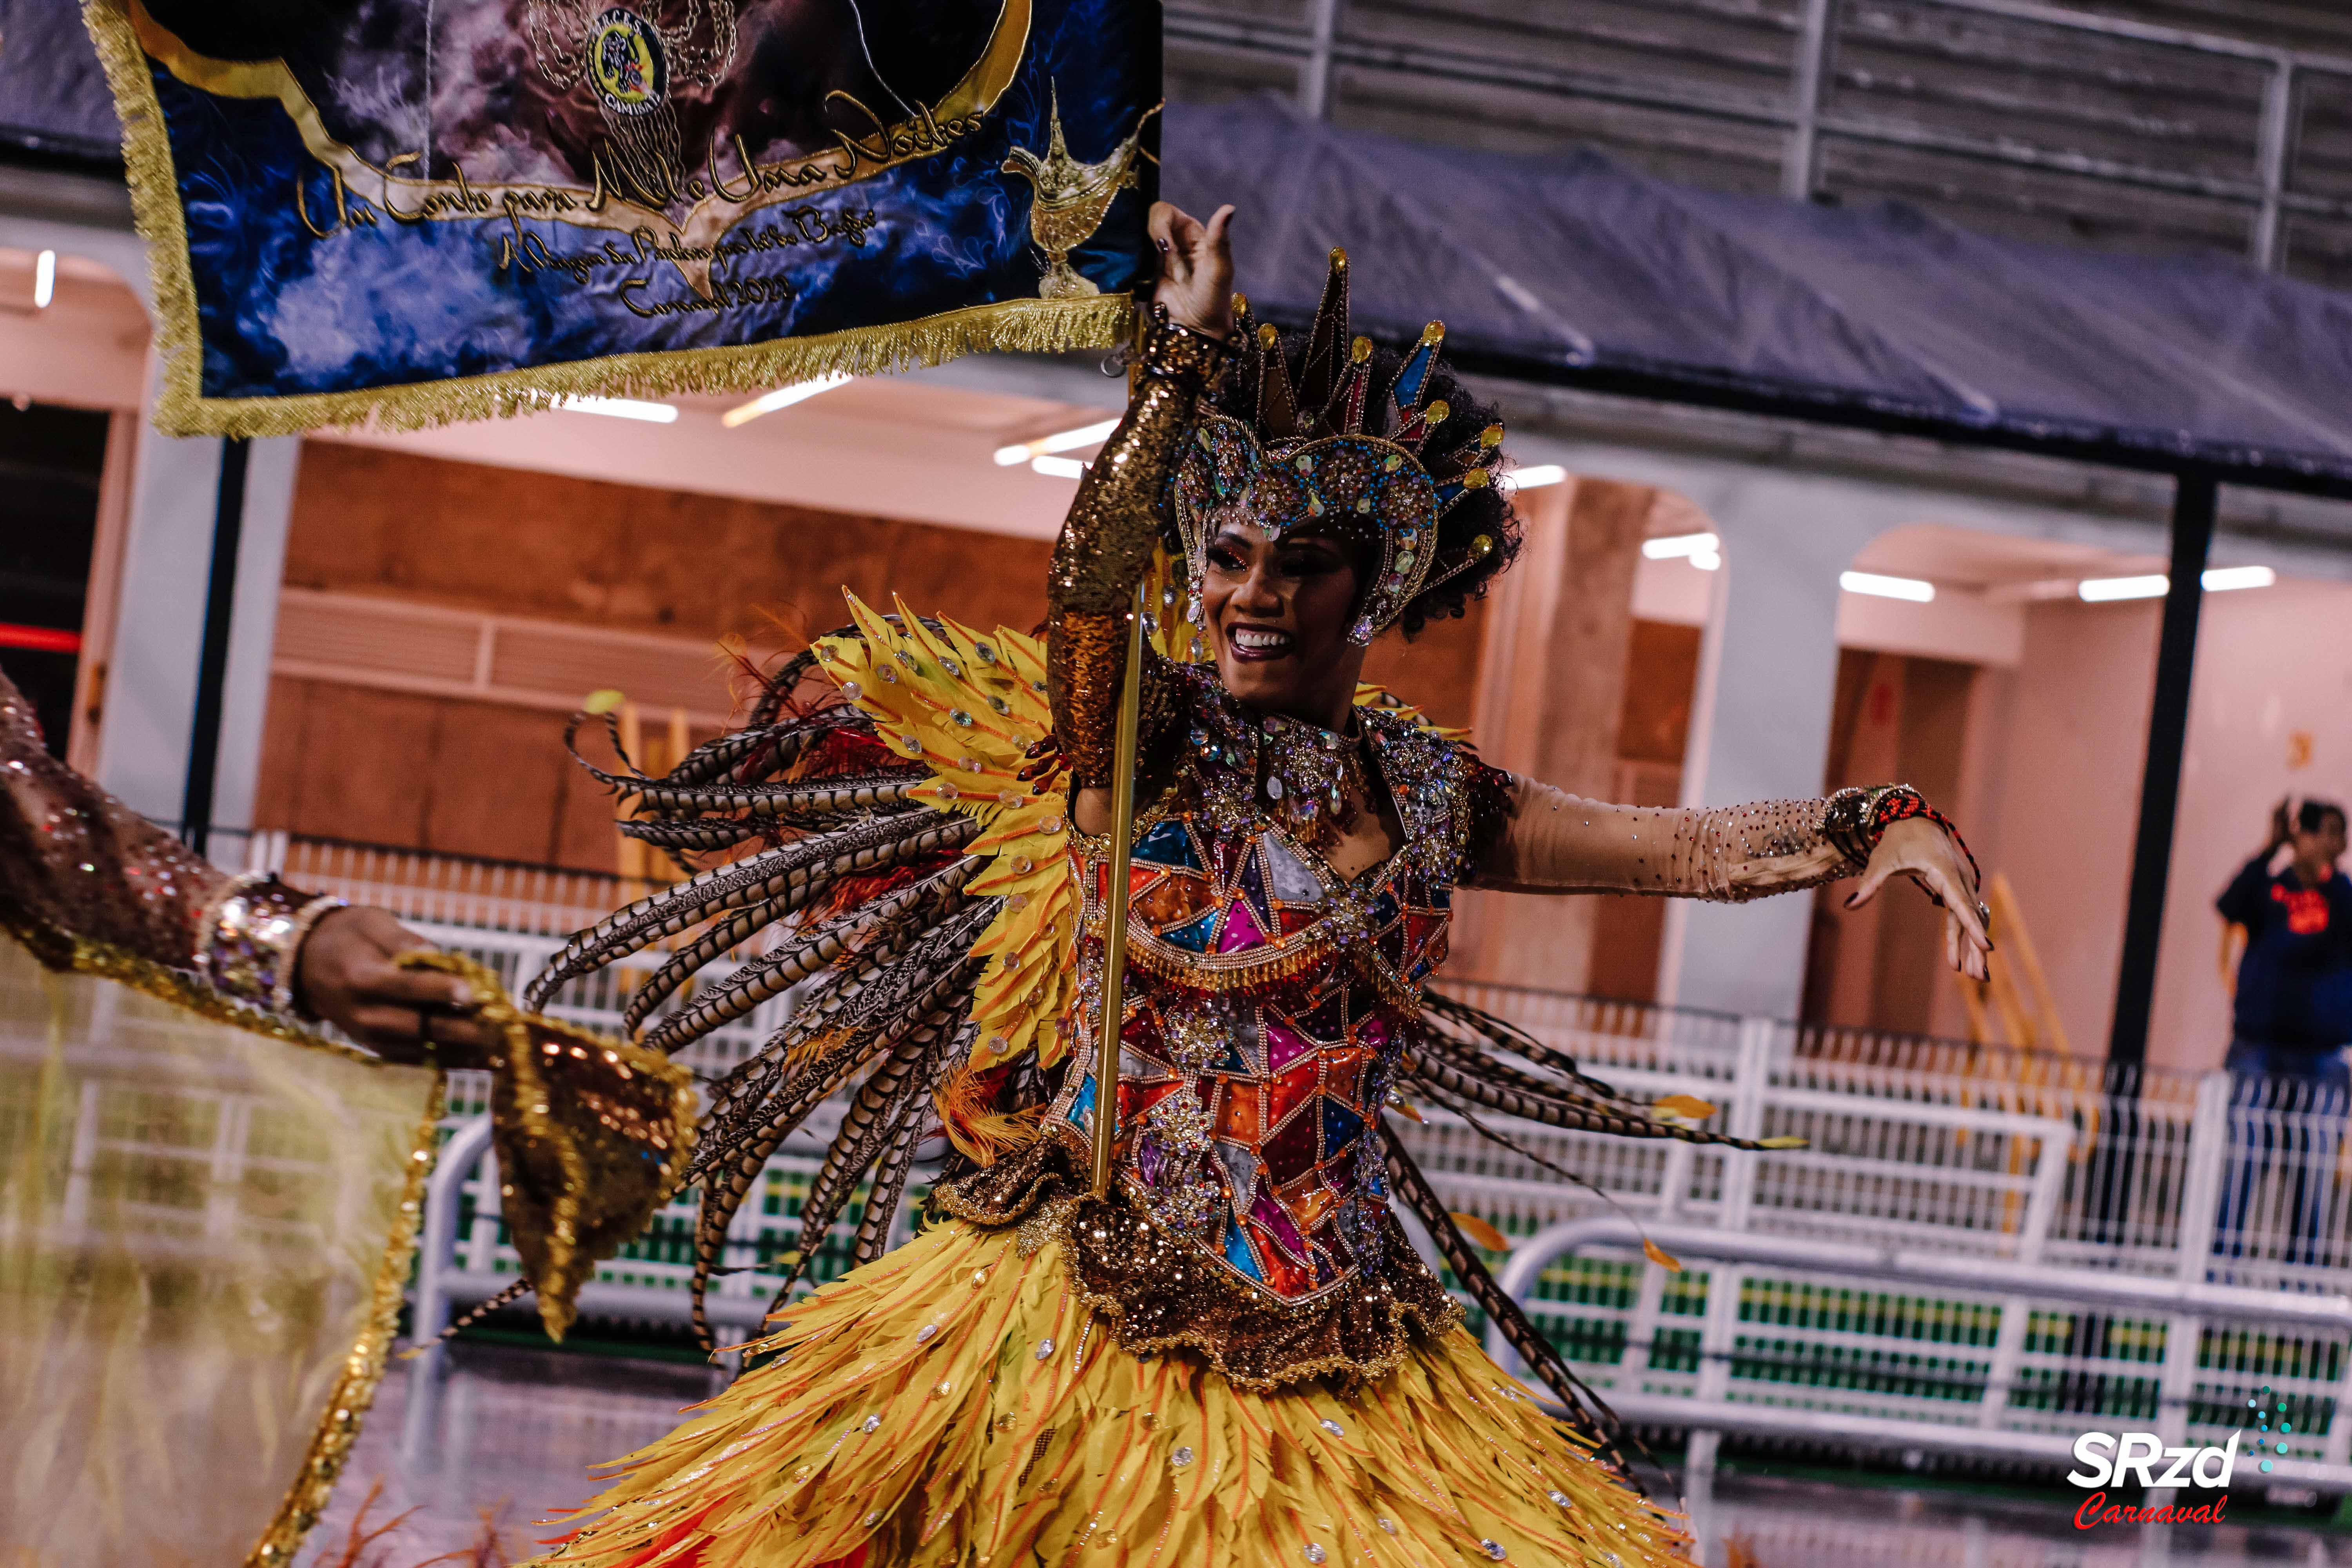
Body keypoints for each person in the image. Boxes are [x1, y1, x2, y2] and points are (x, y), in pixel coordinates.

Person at [490, 203, 1989, 1568]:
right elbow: (1087, 586)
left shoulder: (1424, 789)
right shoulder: (1131, 743)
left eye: (1300, 563)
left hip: (1341, 1343)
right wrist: (1178, 365)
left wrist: (1882, 822)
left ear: (1374, 589)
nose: (1251, 593)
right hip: (1061, 1310)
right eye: (1228, 552)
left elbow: (1671, 847)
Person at [2213, 798, 2352, 1267]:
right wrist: (2270, 847)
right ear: (2304, 836)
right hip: (2257, 1049)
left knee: (2314, 1176)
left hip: (2322, 1058)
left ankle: (2302, 1290)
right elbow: (2229, 905)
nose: (2340, 844)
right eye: (2330, 832)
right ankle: (2220, 1278)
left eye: (2343, 834)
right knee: (2240, 1163)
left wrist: (2327, 880)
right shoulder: (2268, 890)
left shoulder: (2343, 897)